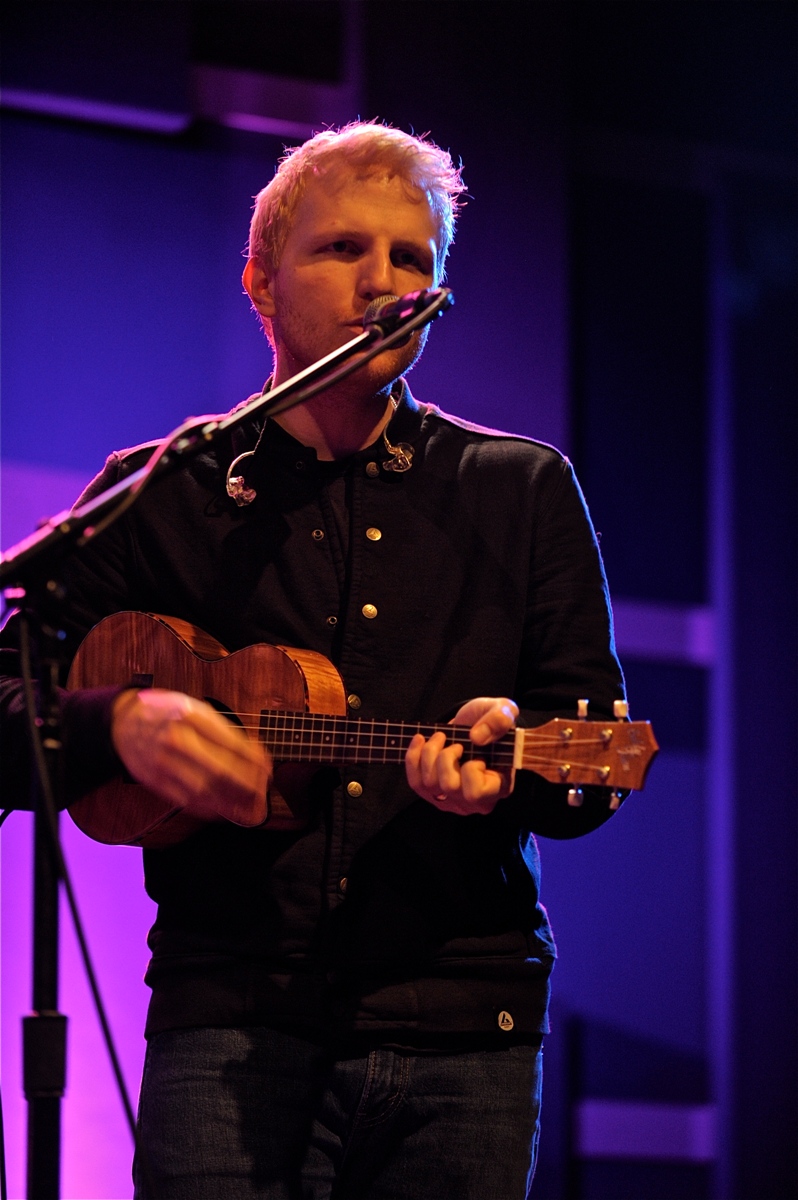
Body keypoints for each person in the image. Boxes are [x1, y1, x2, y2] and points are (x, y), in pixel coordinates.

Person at [0, 123, 627, 1199]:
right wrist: (116, 725)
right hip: (228, 1027)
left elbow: (592, 762)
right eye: (343, 249)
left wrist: (511, 766)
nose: (383, 282)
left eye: (411, 258)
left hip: (464, 1037)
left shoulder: (521, 490)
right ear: (260, 280)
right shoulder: (165, 491)